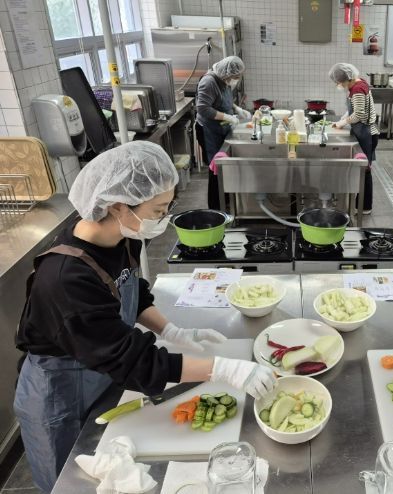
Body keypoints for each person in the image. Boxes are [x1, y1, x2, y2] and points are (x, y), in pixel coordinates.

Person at [14, 141, 276, 493]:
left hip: (103, 369)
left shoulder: (120, 234)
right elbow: (136, 362)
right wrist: (225, 369)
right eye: (158, 210)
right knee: (73, 483)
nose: (164, 219)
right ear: (118, 206)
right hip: (59, 395)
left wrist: (173, 330)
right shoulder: (65, 279)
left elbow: (130, 292)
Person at [196, 56, 251, 210]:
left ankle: (225, 199)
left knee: (223, 166)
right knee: (215, 167)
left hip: (220, 127)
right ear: (226, 74)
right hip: (209, 130)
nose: (236, 80)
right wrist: (227, 117)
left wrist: (236, 109)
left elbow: (224, 99)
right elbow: (203, 109)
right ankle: (215, 208)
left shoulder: (224, 80)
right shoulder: (209, 82)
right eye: (235, 77)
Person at [329, 62, 379, 215]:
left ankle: (365, 207)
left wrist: (343, 122)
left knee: (365, 169)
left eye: (340, 82)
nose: (340, 85)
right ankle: (361, 203)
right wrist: (342, 119)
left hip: (367, 133)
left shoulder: (357, 89)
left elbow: (359, 115)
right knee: (364, 169)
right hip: (364, 132)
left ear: (347, 78)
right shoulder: (359, 83)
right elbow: (353, 109)